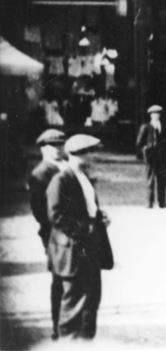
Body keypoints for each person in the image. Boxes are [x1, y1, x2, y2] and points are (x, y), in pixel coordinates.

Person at [47, 133, 110, 339]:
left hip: (89, 250)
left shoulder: (84, 178)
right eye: (91, 152)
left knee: (90, 305)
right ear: (78, 155)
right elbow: (57, 215)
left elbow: (86, 208)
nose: (94, 157)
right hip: (74, 252)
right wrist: (86, 230)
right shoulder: (61, 179)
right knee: (73, 308)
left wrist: (99, 218)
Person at [28, 128, 66, 340]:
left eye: (61, 145)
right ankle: (57, 327)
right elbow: (39, 212)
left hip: (69, 234)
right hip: (53, 236)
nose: (58, 149)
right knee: (60, 279)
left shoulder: (65, 168)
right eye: (53, 146)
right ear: (43, 148)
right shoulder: (40, 174)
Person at [136, 104, 166, 208]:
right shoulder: (146, 127)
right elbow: (139, 142)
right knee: (150, 179)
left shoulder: (163, 126)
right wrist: (145, 150)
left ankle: (162, 201)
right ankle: (149, 202)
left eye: (158, 114)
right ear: (150, 115)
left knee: (162, 179)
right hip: (151, 156)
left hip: (162, 156)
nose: (156, 116)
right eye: (154, 114)